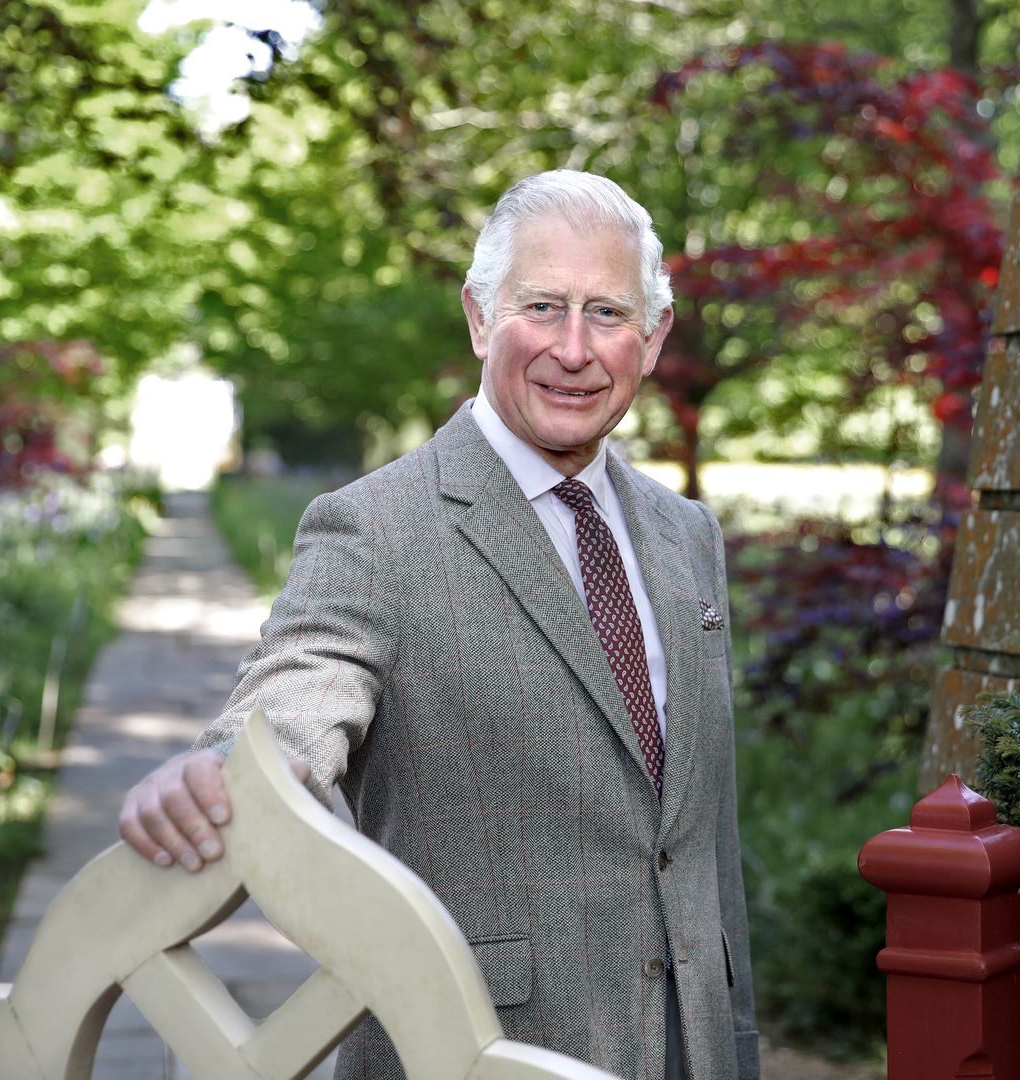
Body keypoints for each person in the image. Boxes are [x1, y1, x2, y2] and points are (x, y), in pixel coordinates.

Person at [120, 170, 760, 1080]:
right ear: (478, 318)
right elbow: (297, 692)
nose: (574, 349)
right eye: (541, 306)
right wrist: (227, 772)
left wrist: (735, 1046)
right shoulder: (374, 529)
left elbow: (701, 845)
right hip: (470, 1052)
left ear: (652, 337)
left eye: (608, 315)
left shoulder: (686, 533)